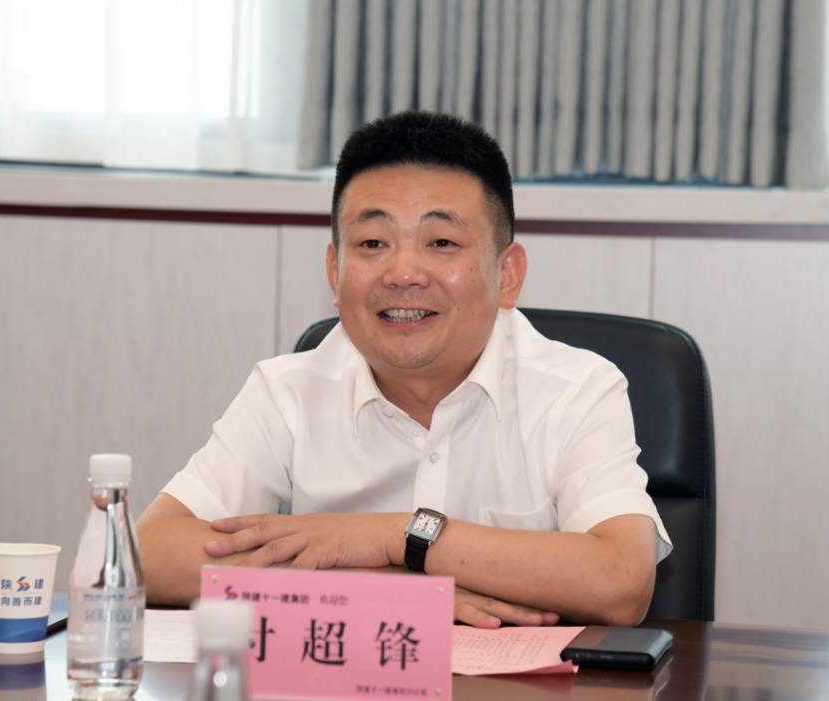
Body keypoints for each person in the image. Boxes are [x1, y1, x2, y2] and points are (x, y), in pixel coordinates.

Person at [136, 111, 671, 628]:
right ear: (335, 271)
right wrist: (379, 585)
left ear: (507, 274)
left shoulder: (578, 391)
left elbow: (621, 581)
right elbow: (150, 555)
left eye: (442, 243)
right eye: (373, 243)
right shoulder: (287, 394)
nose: (403, 273)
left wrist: (397, 537)